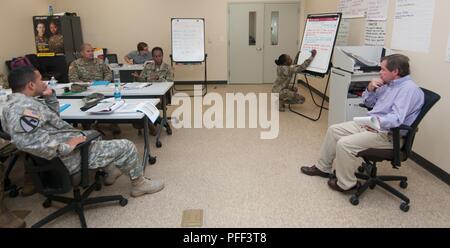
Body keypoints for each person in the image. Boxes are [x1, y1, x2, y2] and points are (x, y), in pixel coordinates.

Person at [1, 66, 165, 200]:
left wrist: (50, 97)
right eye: (39, 80)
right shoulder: (22, 110)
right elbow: (28, 142)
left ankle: (110, 171)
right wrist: (67, 146)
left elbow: (53, 122)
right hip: (68, 159)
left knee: (94, 133)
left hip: (59, 154)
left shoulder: (15, 104)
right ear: (30, 85)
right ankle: (139, 184)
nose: (44, 82)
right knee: (127, 146)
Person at [300, 54, 424, 193]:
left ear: (395, 72)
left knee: (344, 144)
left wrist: (374, 123)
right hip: (372, 125)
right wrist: (370, 89)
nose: (380, 72)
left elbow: (395, 119)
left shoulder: (408, 90)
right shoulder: (388, 84)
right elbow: (368, 103)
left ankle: (347, 185)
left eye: (383, 69)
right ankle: (323, 168)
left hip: (389, 134)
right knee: (334, 130)